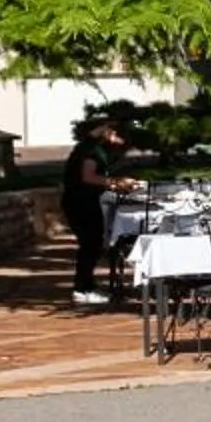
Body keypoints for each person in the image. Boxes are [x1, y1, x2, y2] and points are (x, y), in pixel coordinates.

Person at [62, 118, 134, 307]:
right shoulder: (91, 151)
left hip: (84, 200)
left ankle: (87, 285)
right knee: (90, 244)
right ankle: (82, 289)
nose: (118, 141)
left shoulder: (90, 148)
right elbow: (88, 176)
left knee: (92, 244)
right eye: (115, 134)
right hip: (80, 202)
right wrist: (115, 183)